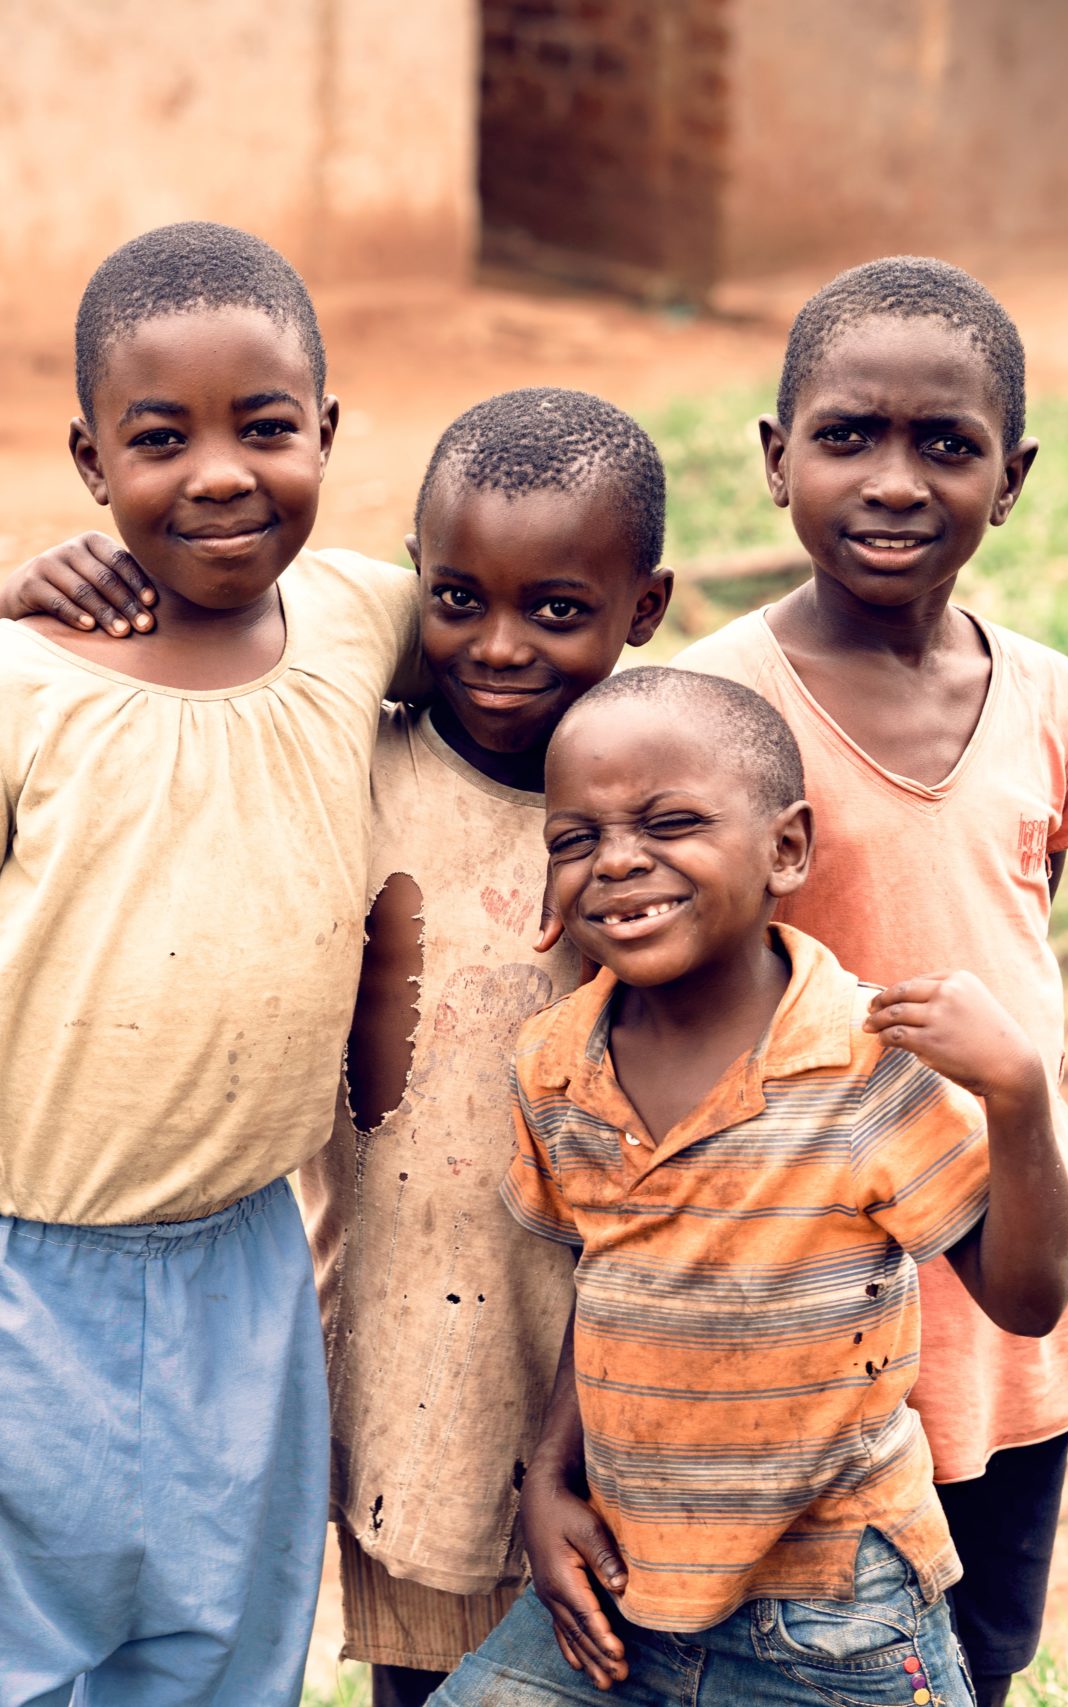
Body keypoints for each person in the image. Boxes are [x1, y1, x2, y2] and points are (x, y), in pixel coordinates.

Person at [0, 222, 418, 1707]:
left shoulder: (361, 619)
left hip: (244, 1286)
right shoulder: (2, 695)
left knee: (215, 1668)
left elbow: (544, 627)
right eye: (158, 438)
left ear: (328, 431)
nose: (217, 473)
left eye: (266, 428)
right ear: (89, 463)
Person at [436, 666, 1068, 1706]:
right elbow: (613, 1289)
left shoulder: (865, 1061)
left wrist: (1017, 1094)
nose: (620, 862)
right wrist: (549, 1482)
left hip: (832, 1614)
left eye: (670, 822)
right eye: (575, 839)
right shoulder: (553, 1064)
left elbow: (1027, 1299)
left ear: (786, 848)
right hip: (619, 1591)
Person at [675, 256, 1068, 1707]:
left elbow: (1015, 900)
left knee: (978, 1647)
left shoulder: (1051, 698)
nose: (895, 480)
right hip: (799, 1287)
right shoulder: (710, 705)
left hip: (999, 1276)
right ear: (773, 457)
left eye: (948, 444)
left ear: (1014, 479)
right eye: (848, 434)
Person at [297, 390, 671, 1707]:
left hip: (616, 1372)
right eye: (459, 599)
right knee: (429, 1677)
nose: (500, 646)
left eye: (556, 610)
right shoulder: (355, 762)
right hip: (408, 1359)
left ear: (647, 608)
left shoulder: (665, 822)